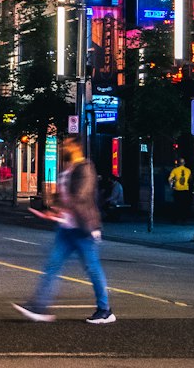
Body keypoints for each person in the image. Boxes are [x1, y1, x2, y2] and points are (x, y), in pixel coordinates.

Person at [12, 135, 116, 325]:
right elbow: (63, 196)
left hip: (83, 229)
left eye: (67, 144)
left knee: (92, 269)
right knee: (52, 265)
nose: (63, 147)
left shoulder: (85, 168)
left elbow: (80, 196)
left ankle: (105, 310)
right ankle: (39, 307)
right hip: (66, 228)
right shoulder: (69, 169)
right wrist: (52, 210)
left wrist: (59, 212)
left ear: (77, 147)